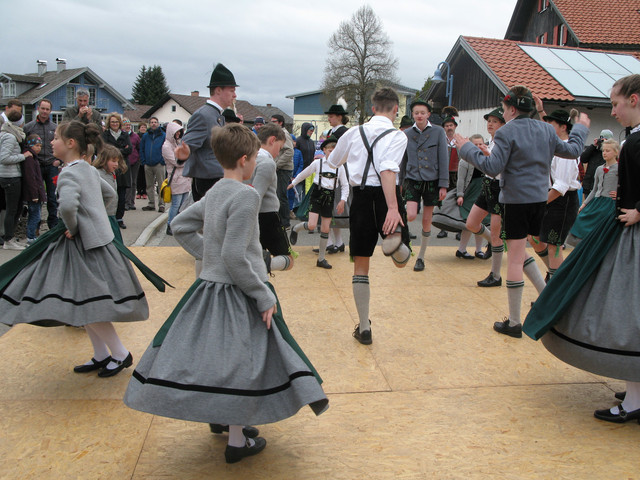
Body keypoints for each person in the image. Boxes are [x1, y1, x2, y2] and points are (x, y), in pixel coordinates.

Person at [123, 123, 328, 464]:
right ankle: (237, 441)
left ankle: (222, 416)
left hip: (208, 289)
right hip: (238, 292)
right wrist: (263, 295)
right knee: (241, 363)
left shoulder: (215, 191)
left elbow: (179, 226)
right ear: (246, 160)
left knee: (214, 357)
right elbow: (235, 256)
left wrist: (208, 256)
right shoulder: (247, 196)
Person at [524, 74, 640, 423]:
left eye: (616, 103)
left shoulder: (637, 139)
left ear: (634, 100)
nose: (613, 110)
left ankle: (635, 399)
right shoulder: (631, 138)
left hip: (633, 232)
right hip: (623, 227)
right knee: (619, 310)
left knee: (625, 310)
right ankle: (635, 387)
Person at [0, 121, 151, 377]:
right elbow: (109, 193)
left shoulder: (70, 173)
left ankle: (120, 353)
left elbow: (68, 207)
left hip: (81, 246)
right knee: (82, 303)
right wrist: (97, 220)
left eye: (56, 137)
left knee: (87, 303)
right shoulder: (88, 169)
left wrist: (75, 226)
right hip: (95, 242)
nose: (51, 142)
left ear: (70, 143)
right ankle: (102, 354)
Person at [455, 85, 589, 339]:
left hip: (516, 201)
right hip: (540, 200)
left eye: (504, 110)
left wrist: (466, 148)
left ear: (513, 109)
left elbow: (492, 167)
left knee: (515, 258)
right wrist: (580, 127)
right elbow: (573, 150)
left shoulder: (507, 132)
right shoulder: (546, 130)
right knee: (523, 251)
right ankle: (546, 301)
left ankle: (515, 322)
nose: (503, 114)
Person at [328, 87, 411, 345]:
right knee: (400, 260)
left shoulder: (353, 132)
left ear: (373, 108)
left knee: (361, 264)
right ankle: (396, 245)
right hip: (388, 199)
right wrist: (394, 209)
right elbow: (388, 171)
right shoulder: (398, 136)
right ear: (396, 111)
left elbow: (333, 161)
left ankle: (364, 327)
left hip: (360, 199)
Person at [528, 108, 581, 279]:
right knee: (534, 238)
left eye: (551, 124)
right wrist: (541, 110)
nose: (547, 126)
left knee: (554, 245)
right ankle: (556, 275)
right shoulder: (555, 146)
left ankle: (556, 284)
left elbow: (561, 186)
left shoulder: (567, 151)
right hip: (550, 197)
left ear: (563, 127)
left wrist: (540, 203)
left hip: (562, 201)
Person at [177, 63, 238, 202]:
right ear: (218, 91)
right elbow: (187, 146)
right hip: (207, 180)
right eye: (231, 90)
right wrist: (183, 155)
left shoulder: (215, 115)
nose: (234, 95)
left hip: (214, 177)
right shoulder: (203, 115)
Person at [400, 99, 448, 272]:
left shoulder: (438, 132)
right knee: (411, 215)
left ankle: (421, 257)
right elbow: (402, 161)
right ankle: (402, 242)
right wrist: (400, 182)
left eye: (422, 112)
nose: (419, 115)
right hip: (412, 179)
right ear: (412, 115)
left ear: (428, 114)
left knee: (427, 221)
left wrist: (443, 185)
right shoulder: (406, 134)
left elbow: (444, 158)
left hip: (432, 180)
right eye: (416, 113)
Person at [289, 136, 348, 269]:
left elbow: (345, 185)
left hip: (330, 196)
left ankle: (321, 259)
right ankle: (296, 228)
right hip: (317, 194)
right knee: (311, 225)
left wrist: (343, 200)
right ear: (324, 150)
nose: (332, 153)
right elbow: (304, 173)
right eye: (329, 150)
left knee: (326, 228)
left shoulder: (340, 167)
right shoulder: (318, 163)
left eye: (335, 150)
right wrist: (293, 183)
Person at [465, 108, 507, 288]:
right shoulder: (491, 141)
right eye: (489, 120)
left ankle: (495, 275)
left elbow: (501, 167)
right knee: (471, 223)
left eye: (494, 121)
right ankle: (493, 243)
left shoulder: (505, 142)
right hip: (488, 185)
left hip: (499, 187)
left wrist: (486, 155)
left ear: (503, 125)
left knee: (497, 233)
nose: (490, 124)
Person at [245, 122, 295, 272]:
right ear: (272, 140)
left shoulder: (248, 158)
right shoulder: (267, 162)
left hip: (253, 215)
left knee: (255, 251)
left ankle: (257, 268)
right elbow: (256, 195)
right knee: (289, 259)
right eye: (279, 148)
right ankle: (260, 266)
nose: (278, 153)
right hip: (267, 216)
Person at [567, 139, 619, 245]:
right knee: (581, 219)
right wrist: (584, 204)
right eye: (603, 150)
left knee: (603, 229)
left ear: (616, 152)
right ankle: (583, 245)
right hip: (597, 202)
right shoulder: (599, 169)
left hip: (611, 204)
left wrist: (620, 194)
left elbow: (629, 186)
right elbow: (595, 190)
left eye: (608, 151)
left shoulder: (620, 169)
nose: (604, 153)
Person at [24, 99, 60, 229]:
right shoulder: (29, 127)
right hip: (36, 166)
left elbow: (61, 145)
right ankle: (35, 227)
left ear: (50, 111)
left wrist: (59, 161)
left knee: (52, 197)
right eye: (43, 108)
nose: (45, 112)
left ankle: (53, 226)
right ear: (38, 108)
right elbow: (24, 146)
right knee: (37, 198)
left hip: (51, 165)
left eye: (47, 109)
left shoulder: (55, 128)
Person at [0, 109, 28, 250]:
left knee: (15, 208)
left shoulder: (11, 134)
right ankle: (8, 240)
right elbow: (4, 158)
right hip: (10, 177)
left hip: (11, 176)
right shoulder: (10, 137)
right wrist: (24, 156)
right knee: (12, 209)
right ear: (20, 123)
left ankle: (10, 238)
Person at [102, 113, 132, 229]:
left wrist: (114, 150)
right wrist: (121, 150)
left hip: (122, 167)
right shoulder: (105, 135)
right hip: (109, 168)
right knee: (110, 193)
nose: (114, 124)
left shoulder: (125, 135)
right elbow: (105, 149)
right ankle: (110, 217)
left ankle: (119, 218)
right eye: (112, 122)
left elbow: (129, 149)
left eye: (116, 122)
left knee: (122, 195)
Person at [92, 144, 126, 242]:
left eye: (117, 161)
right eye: (113, 161)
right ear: (103, 160)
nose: (116, 164)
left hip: (111, 215)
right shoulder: (98, 174)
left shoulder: (111, 173)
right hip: (103, 218)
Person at [163, 121, 191, 235]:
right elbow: (176, 162)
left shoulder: (178, 144)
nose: (178, 134)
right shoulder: (166, 146)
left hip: (184, 177)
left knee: (183, 204)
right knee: (176, 204)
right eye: (176, 132)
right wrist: (187, 159)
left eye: (179, 132)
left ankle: (178, 225)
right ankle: (170, 224)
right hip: (175, 178)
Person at [437, 107, 460, 239]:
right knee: (442, 201)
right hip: (444, 173)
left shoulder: (459, 140)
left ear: (455, 126)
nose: (449, 127)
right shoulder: (441, 141)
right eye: (446, 125)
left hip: (456, 174)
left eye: (451, 125)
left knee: (458, 200)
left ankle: (459, 229)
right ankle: (442, 228)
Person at [21, 135, 47, 246]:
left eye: (40, 146)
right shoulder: (30, 159)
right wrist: (34, 194)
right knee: (34, 216)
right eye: (36, 145)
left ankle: (32, 236)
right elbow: (31, 177)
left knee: (36, 215)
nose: (39, 148)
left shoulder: (34, 157)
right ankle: (30, 237)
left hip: (37, 192)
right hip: (33, 193)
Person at [270, 115, 294, 228]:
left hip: (284, 169)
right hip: (280, 168)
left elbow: (289, 151)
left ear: (280, 123)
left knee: (281, 195)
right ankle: (280, 220)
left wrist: (277, 164)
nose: (271, 124)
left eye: (274, 122)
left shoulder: (284, 134)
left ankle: (285, 222)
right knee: (277, 194)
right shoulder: (277, 134)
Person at [140, 117, 166, 212]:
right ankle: (151, 203)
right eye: (151, 122)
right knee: (149, 185)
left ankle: (162, 204)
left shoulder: (163, 135)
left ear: (158, 123)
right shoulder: (146, 136)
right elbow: (141, 148)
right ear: (149, 124)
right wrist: (143, 161)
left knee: (161, 184)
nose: (153, 124)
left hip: (159, 163)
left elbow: (166, 149)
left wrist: (162, 160)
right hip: (148, 163)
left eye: (155, 122)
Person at [580, 129, 613, 201]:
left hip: (602, 188)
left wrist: (607, 148)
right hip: (589, 185)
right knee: (588, 208)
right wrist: (593, 146)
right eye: (602, 139)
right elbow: (583, 159)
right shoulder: (594, 150)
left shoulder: (610, 153)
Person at [122, 118, 140, 211]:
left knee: (133, 182)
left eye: (129, 125)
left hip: (135, 162)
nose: (128, 126)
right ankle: (126, 202)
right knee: (126, 182)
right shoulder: (122, 136)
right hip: (124, 162)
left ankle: (131, 202)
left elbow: (138, 147)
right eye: (126, 125)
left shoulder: (135, 136)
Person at [136, 122, 148, 200]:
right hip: (138, 158)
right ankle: (139, 192)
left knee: (145, 176)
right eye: (142, 127)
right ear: (139, 128)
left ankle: (144, 192)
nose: (143, 128)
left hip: (146, 158)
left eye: (144, 127)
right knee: (138, 176)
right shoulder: (137, 136)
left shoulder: (147, 136)